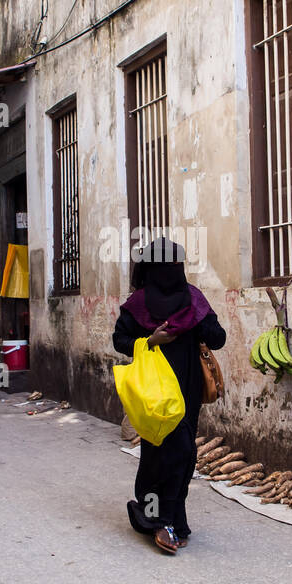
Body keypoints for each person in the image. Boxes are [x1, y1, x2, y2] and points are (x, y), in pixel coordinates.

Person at [112, 237, 226, 554]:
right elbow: (120, 340)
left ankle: (168, 518)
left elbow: (219, 338)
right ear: (152, 268)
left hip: (187, 390)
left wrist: (200, 325)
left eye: (178, 265)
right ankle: (160, 519)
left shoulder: (194, 300)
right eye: (167, 266)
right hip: (155, 393)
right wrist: (150, 340)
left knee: (184, 455)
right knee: (159, 455)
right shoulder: (137, 304)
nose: (173, 271)